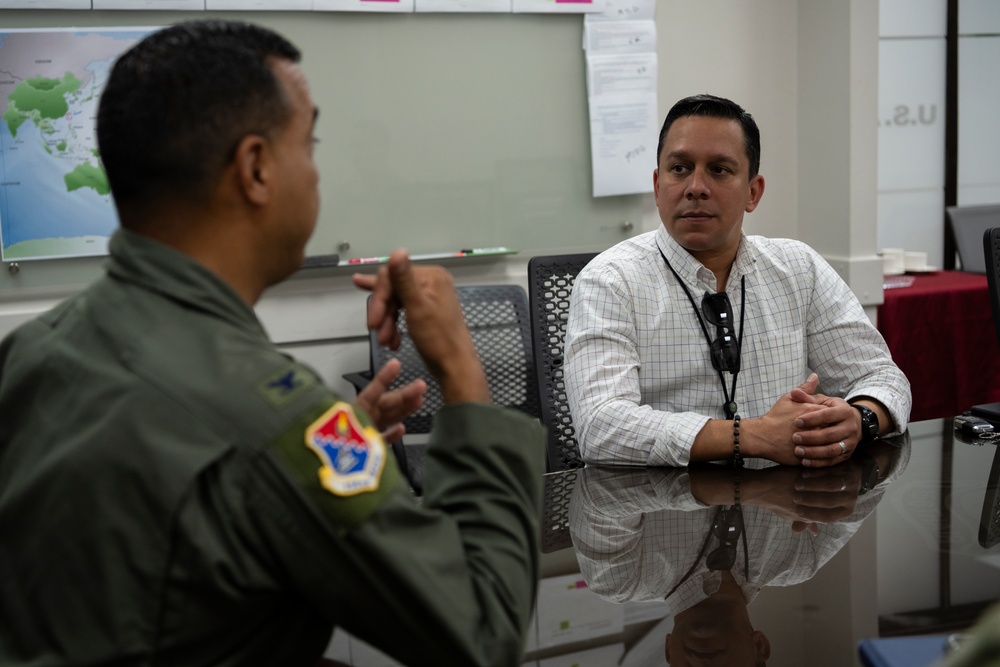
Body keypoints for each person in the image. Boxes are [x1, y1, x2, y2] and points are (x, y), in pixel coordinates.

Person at [0, 20, 546, 667]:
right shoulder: (283, 422)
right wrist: (458, 362)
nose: (316, 173)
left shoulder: (32, 349)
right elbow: (483, 633)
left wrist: (324, 442)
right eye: (308, 143)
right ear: (256, 168)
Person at [564, 94, 911, 468]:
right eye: (679, 168)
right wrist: (753, 436)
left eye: (719, 170)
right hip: (660, 512)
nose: (696, 186)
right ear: (657, 184)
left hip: (784, 513)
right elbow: (601, 427)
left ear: (753, 192)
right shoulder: (610, 280)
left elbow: (882, 376)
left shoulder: (799, 267)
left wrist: (860, 419)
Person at [569, 437, 909, 666]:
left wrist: (756, 488)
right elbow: (872, 483)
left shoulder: (621, 580)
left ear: (670, 654)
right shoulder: (797, 560)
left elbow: (603, 494)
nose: (703, 666)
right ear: (759, 648)